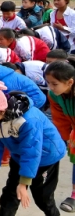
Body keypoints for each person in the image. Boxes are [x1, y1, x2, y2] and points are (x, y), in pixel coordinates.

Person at [0, 81, 65, 216]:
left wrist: (24, 183)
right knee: (10, 192)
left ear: (1, 110)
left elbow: (32, 150)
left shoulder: (29, 120)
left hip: (45, 156)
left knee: (42, 197)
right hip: (19, 154)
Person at [45, 59, 75, 212]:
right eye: (48, 82)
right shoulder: (54, 95)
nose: (50, 87)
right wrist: (59, 144)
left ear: (70, 82)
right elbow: (60, 121)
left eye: (54, 83)